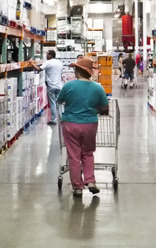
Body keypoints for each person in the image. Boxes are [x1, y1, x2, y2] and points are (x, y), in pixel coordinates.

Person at [57, 56, 109, 198]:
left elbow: (59, 100)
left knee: (74, 156)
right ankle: (90, 181)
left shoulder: (68, 86)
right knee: (87, 153)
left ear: (77, 71)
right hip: (90, 124)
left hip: (70, 124)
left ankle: (78, 188)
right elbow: (105, 106)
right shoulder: (97, 88)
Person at [33, 50, 64, 125]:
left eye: (47, 54)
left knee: (52, 103)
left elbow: (38, 69)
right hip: (59, 85)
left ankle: (54, 119)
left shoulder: (48, 62)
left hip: (51, 86)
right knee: (59, 103)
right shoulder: (59, 63)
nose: (46, 56)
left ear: (50, 55)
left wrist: (32, 64)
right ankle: (62, 118)